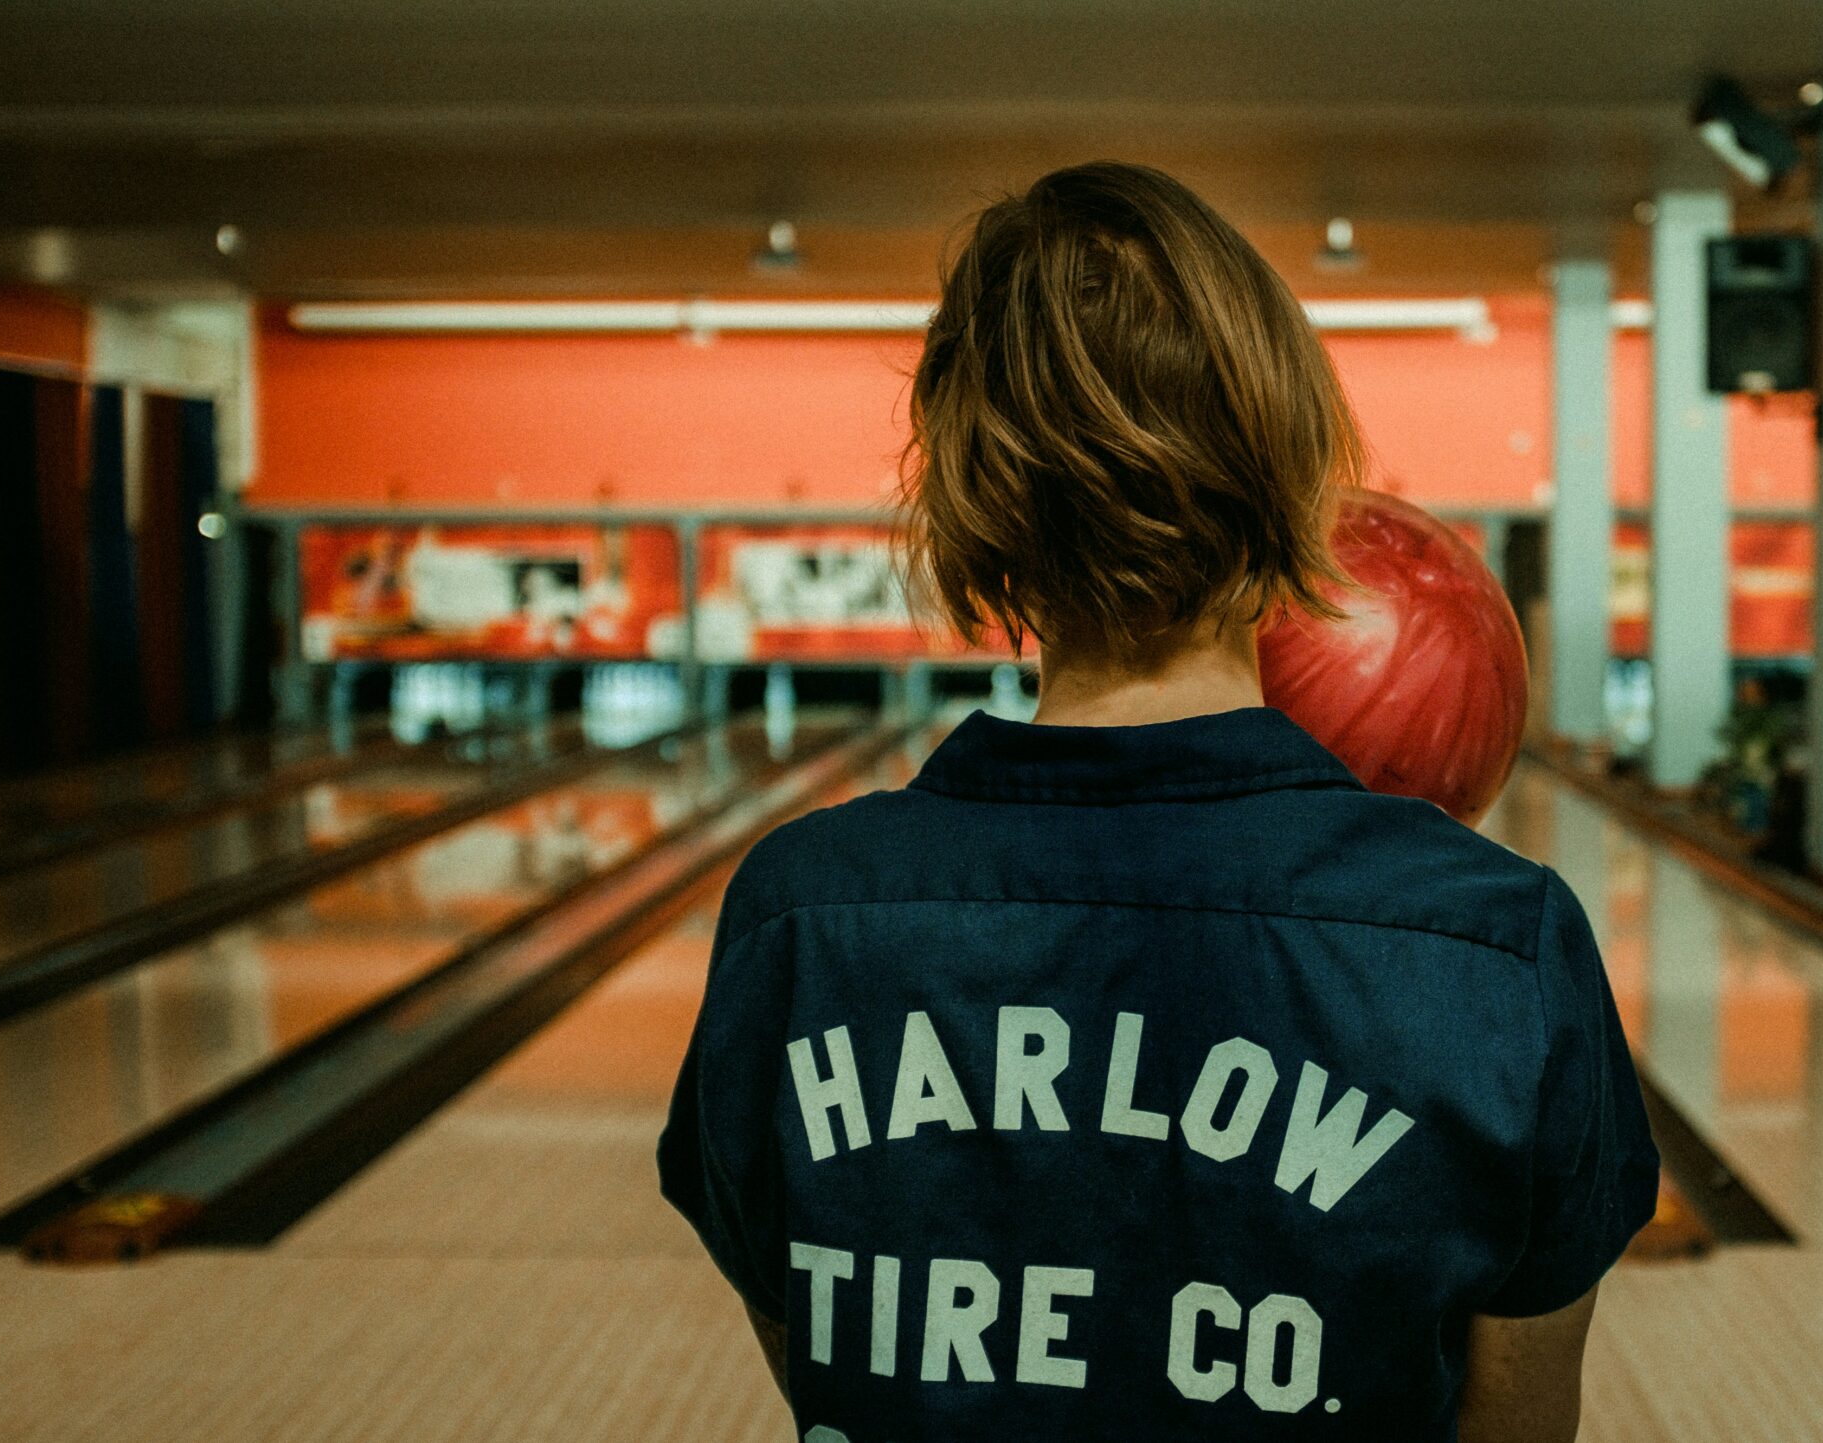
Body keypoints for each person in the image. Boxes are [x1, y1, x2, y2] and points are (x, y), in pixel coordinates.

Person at [660, 160, 1656, 1443]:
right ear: (1303, 484)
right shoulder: (1497, 947)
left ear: (968, 502)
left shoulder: (797, 926)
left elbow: (828, 1373)